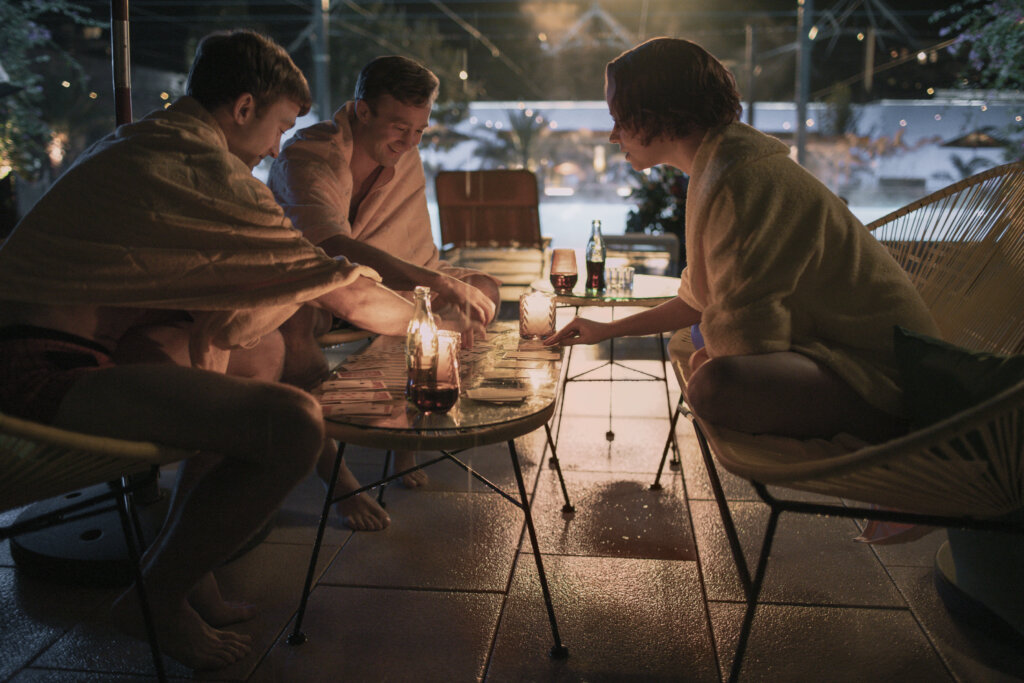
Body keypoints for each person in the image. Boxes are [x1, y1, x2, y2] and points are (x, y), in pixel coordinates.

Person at [0, 30, 455, 670]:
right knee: (291, 423)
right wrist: (435, 327)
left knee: (258, 355)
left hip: (76, 352)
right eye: (279, 126)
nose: (277, 147)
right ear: (243, 108)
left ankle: (188, 569)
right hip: (30, 374)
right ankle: (154, 599)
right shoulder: (195, 163)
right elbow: (330, 281)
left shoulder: (157, 141)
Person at [545, 37, 941, 444]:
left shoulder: (740, 184)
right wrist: (605, 330)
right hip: (850, 361)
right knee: (699, 359)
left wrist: (710, 351)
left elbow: (747, 344)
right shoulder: (722, 167)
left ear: (655, 112)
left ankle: (893, 434)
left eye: (619, 116)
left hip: (888, 383)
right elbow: (696, 300)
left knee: (715, 384)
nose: (613, 135)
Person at [267, 55, 501, 521]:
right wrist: (432, 283)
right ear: (362, 110)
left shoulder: (405, 154)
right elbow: (328, 245)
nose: (410, 142)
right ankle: (339, 479)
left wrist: (440, 282)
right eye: (400, 127)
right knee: (291, 323)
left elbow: (411, 247)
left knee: (483, 288)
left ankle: (405, 435)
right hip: (314, 289)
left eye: (420, 130)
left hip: (388, 283)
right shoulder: (308, 156)